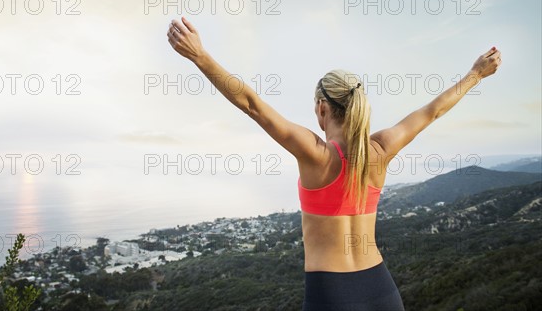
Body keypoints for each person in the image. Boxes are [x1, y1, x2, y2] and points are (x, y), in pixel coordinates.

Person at [166, 17, 502, 310]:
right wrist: (476, 74)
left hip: (332, 295)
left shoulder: (315, 154)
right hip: (383, 291)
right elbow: (434, 110)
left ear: (322, 108)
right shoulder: (381, 149)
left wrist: (200, 55)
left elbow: (252, 105)